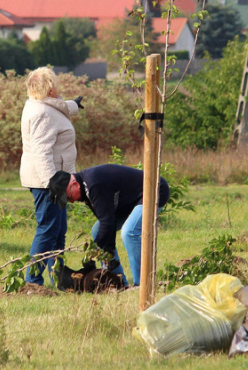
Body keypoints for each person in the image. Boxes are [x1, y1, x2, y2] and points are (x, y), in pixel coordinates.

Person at [47, 164, 170, 287]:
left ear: (74, 184)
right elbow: (106, 223)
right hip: (131, 201)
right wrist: (108, 253)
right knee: (97, 230)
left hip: (154, 189)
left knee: (129, 232)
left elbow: (107, 223)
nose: (72, 201)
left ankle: (143, 285)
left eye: (69, 197)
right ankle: (118, 282)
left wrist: (92, 255)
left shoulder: (93, 184)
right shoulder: (85, 190)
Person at [20, 66, 83, 286]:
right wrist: (52, 182)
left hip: (57, 178)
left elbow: (59, 108)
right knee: (48, 229)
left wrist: (74, 105)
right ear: (49, 88)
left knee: (58, 230)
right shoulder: (41, 113)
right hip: (49, 181)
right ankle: (33, 281)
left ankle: (59, 278)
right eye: (54, 82)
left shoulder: (40, 105)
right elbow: (41, 151)